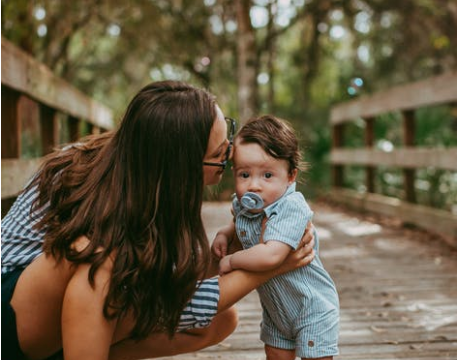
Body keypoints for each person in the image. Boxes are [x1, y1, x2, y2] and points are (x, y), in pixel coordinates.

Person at [1, 81, 316, 360]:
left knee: (220, 320)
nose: (230, 154)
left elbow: (168, 295)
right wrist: (274, 265)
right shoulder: (84, 175)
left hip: (65, 320)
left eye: (228, 135)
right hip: (12, 313)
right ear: (181, 163)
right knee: (96, 254)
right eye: (220, 152)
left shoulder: (161, 191)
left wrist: (221, 257)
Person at [212, 115, 339, 360]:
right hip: (276, 310)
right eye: (244, 174)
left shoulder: (291, 207)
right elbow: (238, 219)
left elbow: (271, 255)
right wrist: (225, 233)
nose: (254, 186)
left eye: (267, 176)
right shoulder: (245, 204)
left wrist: (232, 260)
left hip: (311, 307)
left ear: (291, 176)